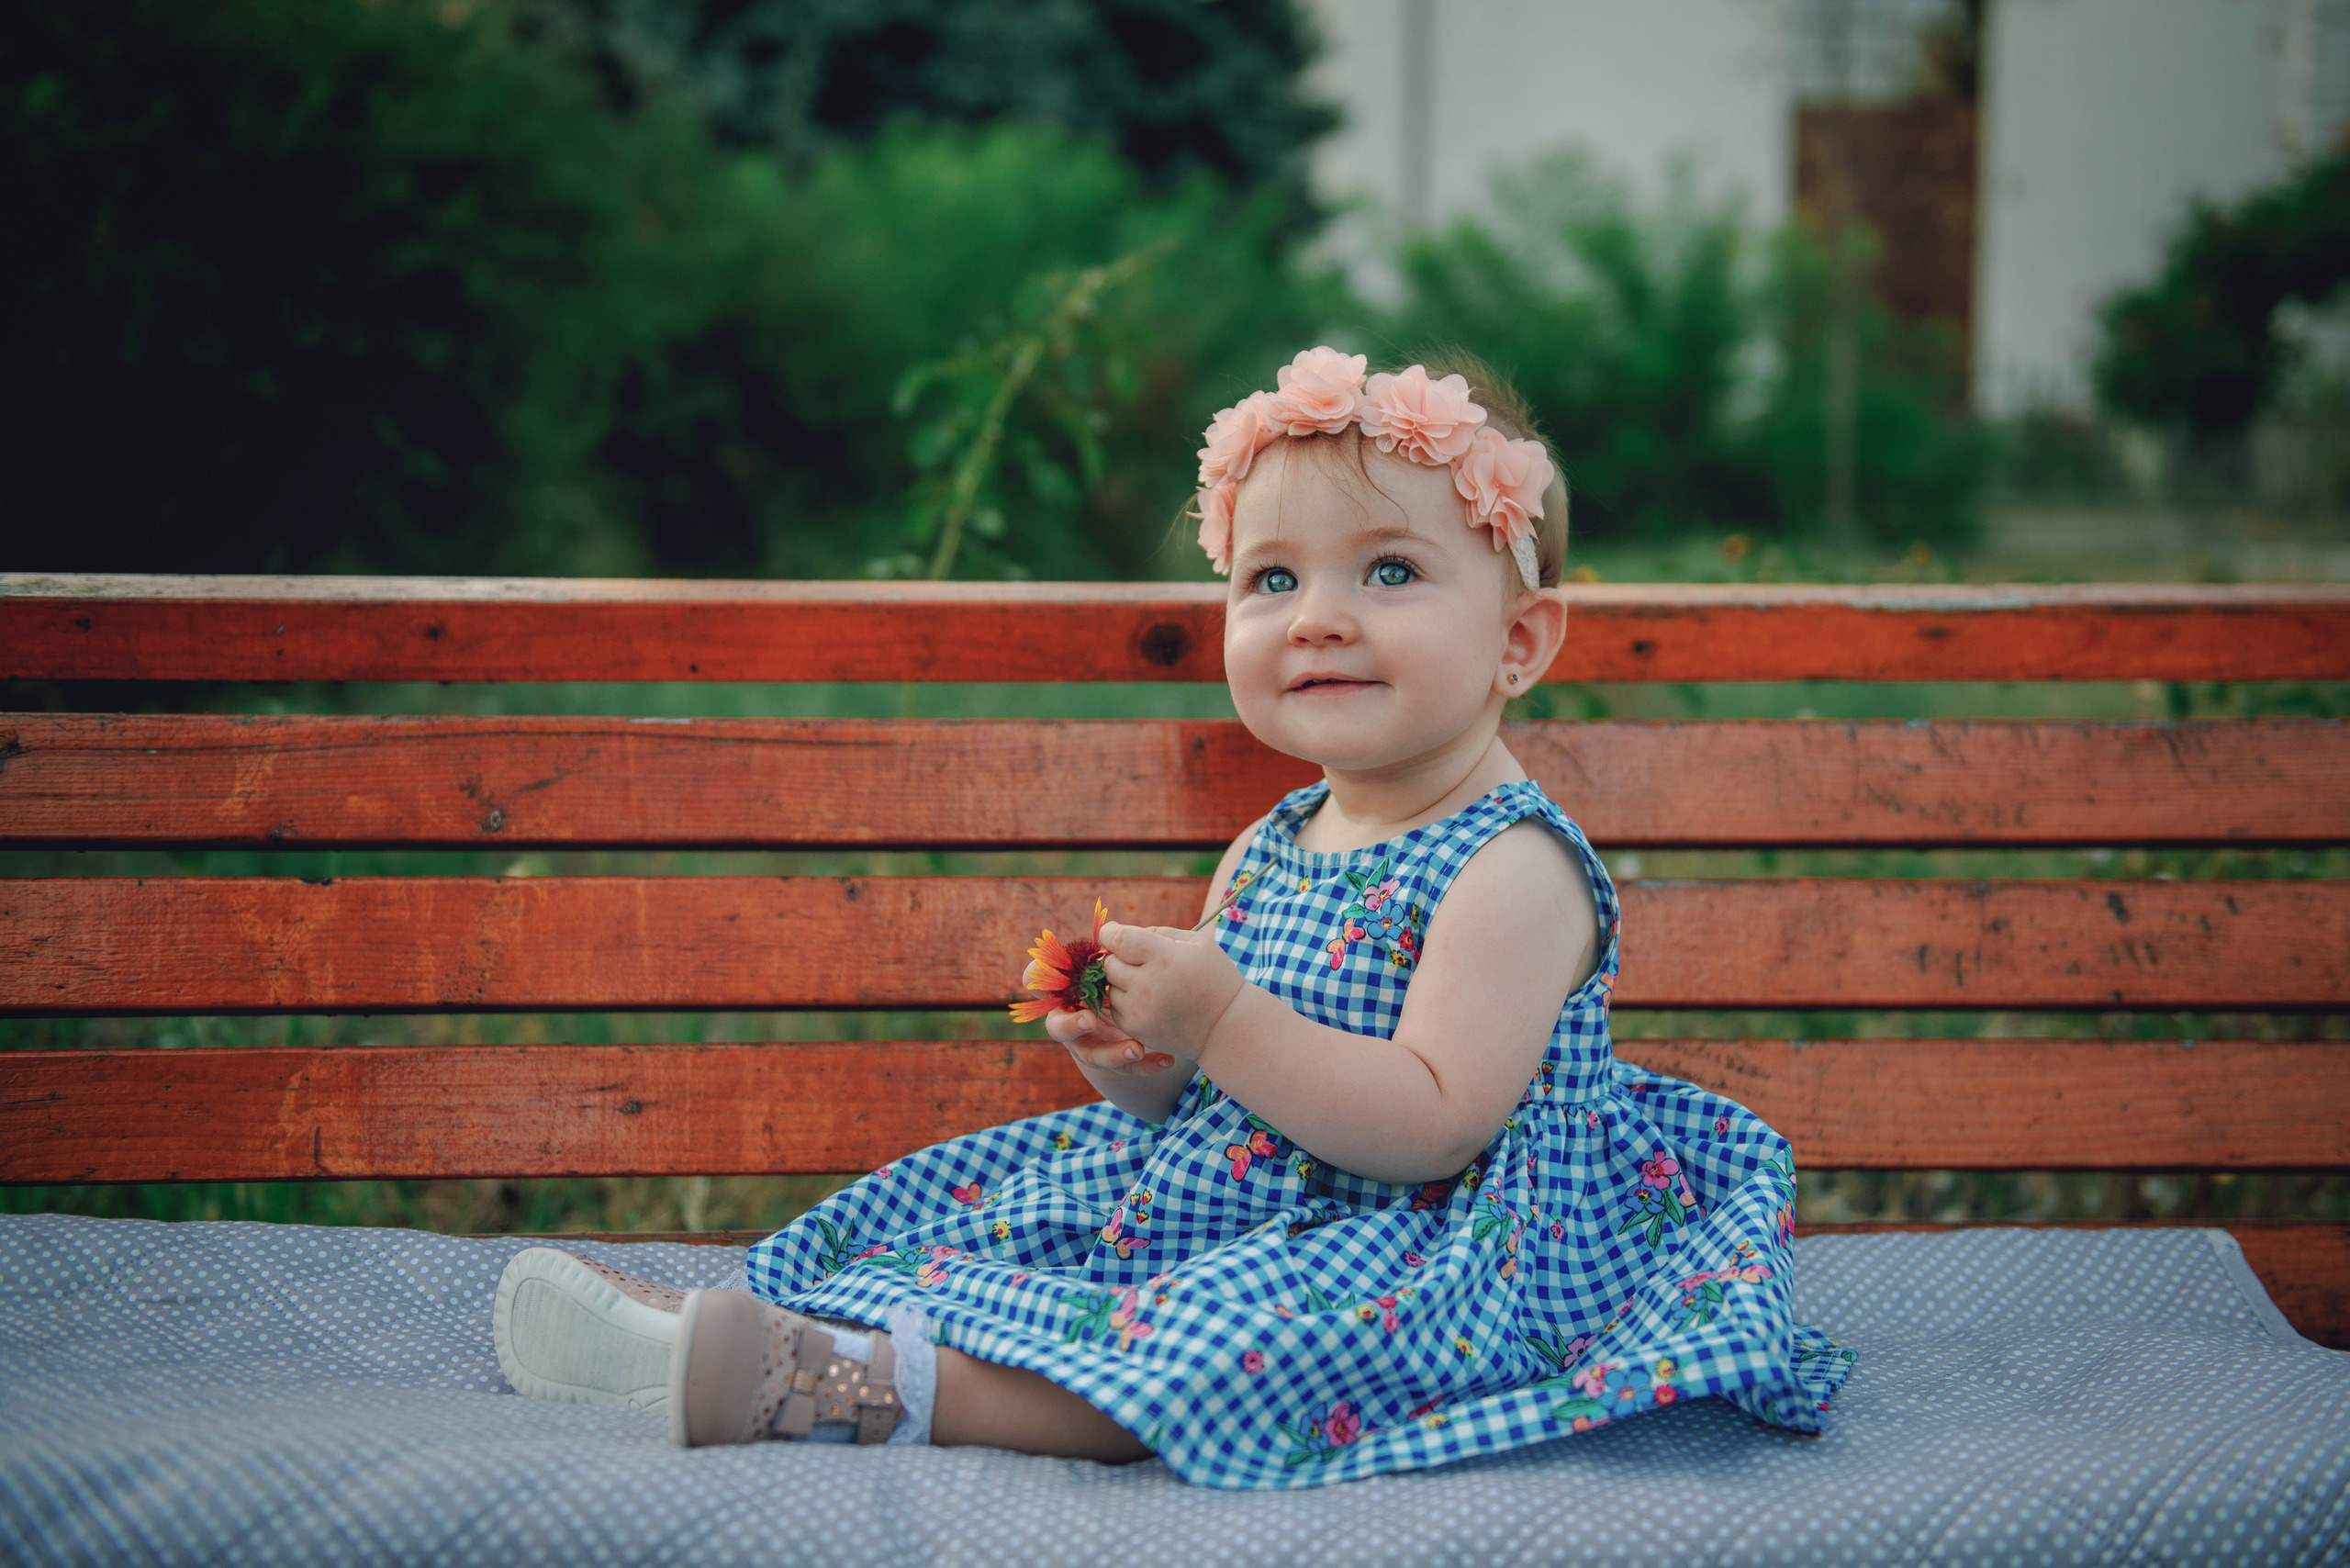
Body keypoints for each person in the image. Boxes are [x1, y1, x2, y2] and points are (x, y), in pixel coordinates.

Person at [491, 347, 1855, 1488]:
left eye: (1388, 572)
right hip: (1253, 1201)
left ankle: (860, 1387)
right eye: (1273, 580)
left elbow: (1429, 1123)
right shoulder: (1274, 841)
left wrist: (1224, 1012)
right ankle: (719, 1327)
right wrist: (1142, 1058)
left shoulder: (1513, 870)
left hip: (1435, 1245)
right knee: (1002, 1217)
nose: (1317, 617)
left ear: (1520, 642)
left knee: (1231, 1355)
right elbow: (1215, 1102)